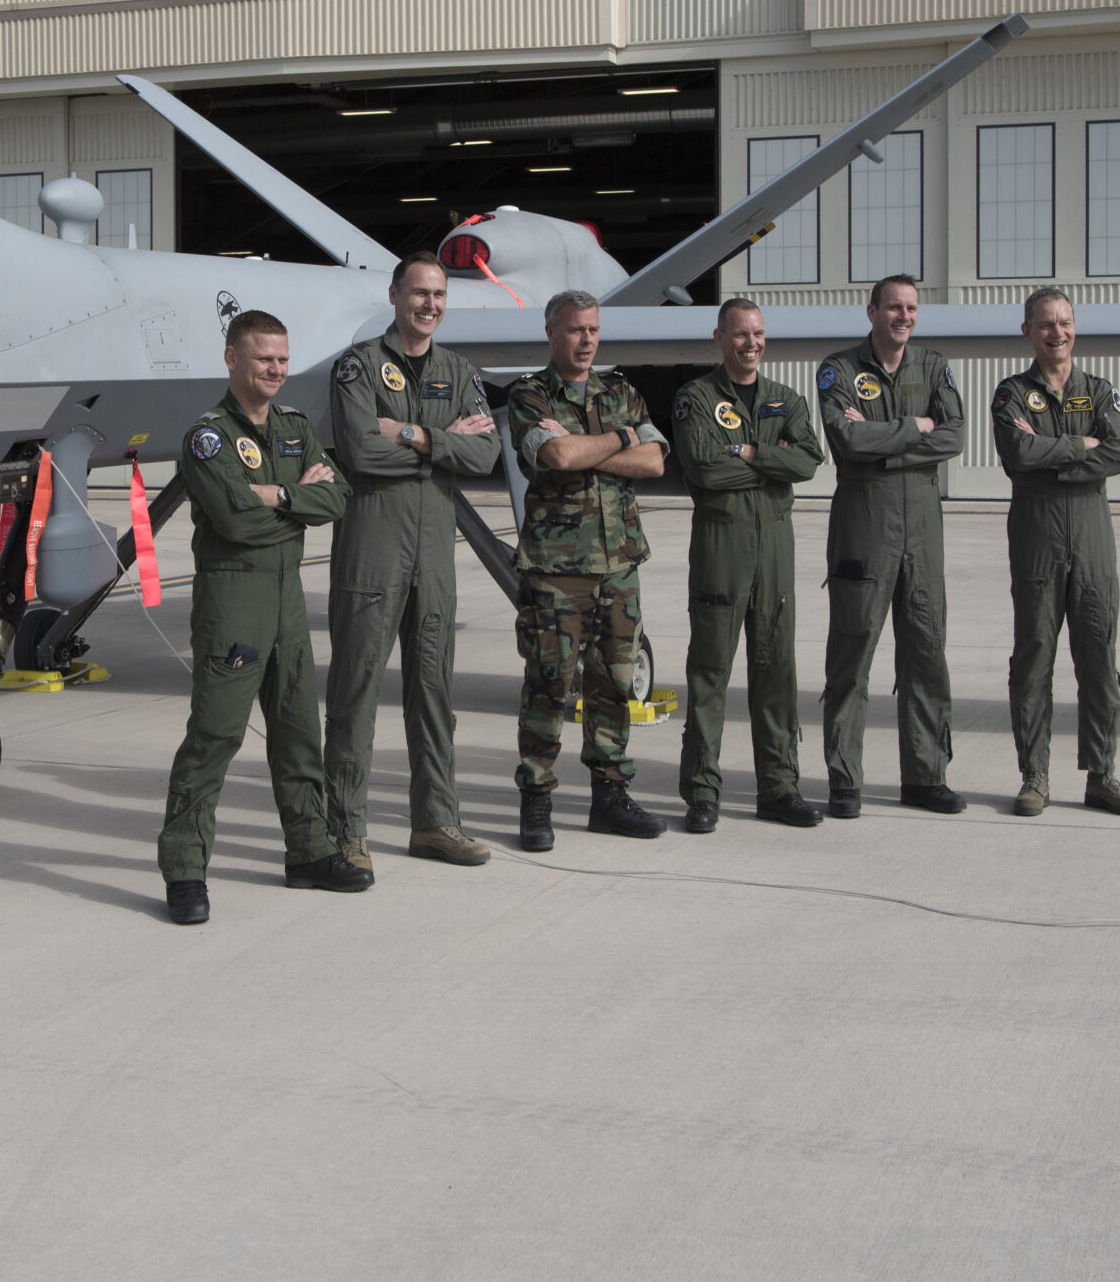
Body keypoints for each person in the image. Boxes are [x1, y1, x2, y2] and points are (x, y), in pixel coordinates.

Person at [155, 309, 367, 924]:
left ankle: (308, 851)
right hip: (234, 600)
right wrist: (299, 497)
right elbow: (233, 519)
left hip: (287, 600)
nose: (275, 369)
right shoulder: (208, 438)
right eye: (262, 358)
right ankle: (186, 869)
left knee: (300, 732)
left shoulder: (296, 427)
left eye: (281, 358)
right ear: (232, 360)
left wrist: (277, 494)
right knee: (215, 735)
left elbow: (338, 496)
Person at [323, 251, 501, 872]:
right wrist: (447, 443)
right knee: (356, 690)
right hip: (372, 549)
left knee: (434, 690)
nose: (429, 305)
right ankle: (345, 831)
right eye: (419, 293)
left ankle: (436, 823)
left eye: (439, 296)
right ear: (395, 294)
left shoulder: (459, 368)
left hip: (433, 555)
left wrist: (413, 433)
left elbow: (487, 456)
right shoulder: (358, 366)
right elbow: (360, 450)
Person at [503, 289, 668, 851]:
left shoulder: (620, 390)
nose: (586, 340)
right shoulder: (529, 394)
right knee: (548, 683)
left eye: (593, 330)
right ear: (552, 333)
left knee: (615, 685)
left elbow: (655, 460)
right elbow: (556, 458)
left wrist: (593, 444)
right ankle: (537, 799)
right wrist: (621, 437)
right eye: (575, 330)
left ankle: (610, 796)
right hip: (556, 570)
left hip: (618, 565)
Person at [992, 288, 1120, 818]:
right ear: (1027, 331)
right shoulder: (1012, 394)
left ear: (1074, 327)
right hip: (1037, 540)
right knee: (1034, 658)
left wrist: (1053, 456)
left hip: (1092, 541)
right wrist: (1082, 445)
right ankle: (1035, 775)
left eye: (1064, 322)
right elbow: (1017, 452)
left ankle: (1102, 775)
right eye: (1046, 324)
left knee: (1099, 657)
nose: (1057, 333)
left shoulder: (1099, 391)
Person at [672, 299, 824, 831]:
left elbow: (807, 461)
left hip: (776, 550)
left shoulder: (786, 398)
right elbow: (705, 469)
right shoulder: (696, 397)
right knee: (711, 671)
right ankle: (702, 792)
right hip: (722, 547)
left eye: (758, 334)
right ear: (720, 338)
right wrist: (769, 459)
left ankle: (779, 788)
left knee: (777, 670)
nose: (751, 343)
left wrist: (750, 453)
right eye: (740, 335)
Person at [817, 273, 965, 818]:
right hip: (864, 525)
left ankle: (926, 778)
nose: (903, 316)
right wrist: (916, 428)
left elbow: (955, 436)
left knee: (927, 652)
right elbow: (847, 442)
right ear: (872, 311)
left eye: (911, 308)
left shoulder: (932, 365)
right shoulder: (840, 369)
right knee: (852, 654)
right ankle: (844, 779)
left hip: (923, 531)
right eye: (894, 307)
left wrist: (889, 440)